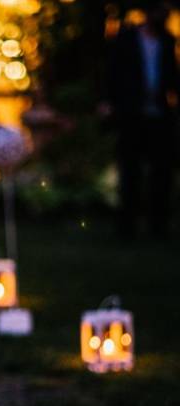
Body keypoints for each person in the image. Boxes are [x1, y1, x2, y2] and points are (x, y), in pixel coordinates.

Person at [107, 2, 180, 239]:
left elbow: (171, 76)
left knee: (161, 172)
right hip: (132, 114)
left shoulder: (167, 41)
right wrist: (111, 102)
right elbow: (114, 71)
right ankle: (126, 226)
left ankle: (157, 225)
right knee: (130, 171)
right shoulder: (127, 38)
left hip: (159, 114)